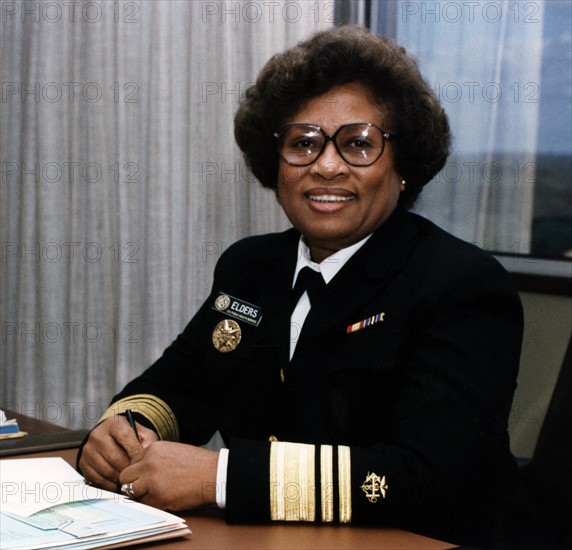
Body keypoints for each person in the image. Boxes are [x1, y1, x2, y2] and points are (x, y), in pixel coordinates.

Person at [78, 26, 543, 547]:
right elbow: (178, 386)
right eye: (303, 143)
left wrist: (221, 478)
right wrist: (122, 431)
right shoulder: (250, 266)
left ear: (404, 164)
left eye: (358, 144)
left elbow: (431, 476)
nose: (326, 166)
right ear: (273, 163)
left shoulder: (461, 285)